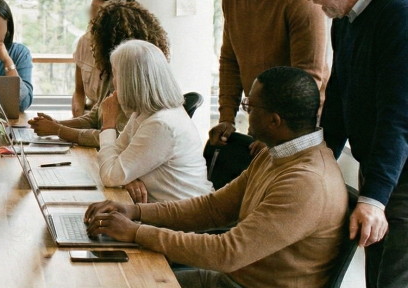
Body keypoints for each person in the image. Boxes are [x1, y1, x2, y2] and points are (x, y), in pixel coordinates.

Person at [85, 67, 347, 288]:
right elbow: (211, 208)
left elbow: (227, 253)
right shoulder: (275, 153)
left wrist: (136, 232)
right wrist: (135, 212)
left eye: (250, 106)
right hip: (231, 280)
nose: (245, 113)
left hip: (239, 281)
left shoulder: (307, 183)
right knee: (117, 279)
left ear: (274, 121)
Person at [296, 0, 408, 288]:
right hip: (379, 166)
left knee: (392, 279)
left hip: (402, 174)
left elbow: (399, 117)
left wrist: (375, 198)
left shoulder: (400, 15)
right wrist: (314, 155)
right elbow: (339, 99)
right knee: (376, 277)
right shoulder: (345, 18)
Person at [208, 0, 327, 148]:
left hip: (296, 131)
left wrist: (281, 137)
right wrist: (226, 118)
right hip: (263, 123)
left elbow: (308, 77)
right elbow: (230, 59)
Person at [30, 0, 170, 148]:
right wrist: (56, 124)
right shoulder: (110, 72)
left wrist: (59, 130)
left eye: (95, 39)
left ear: (109, 42)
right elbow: (96, 117)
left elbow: (116, 138)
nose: (92, 45)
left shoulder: (135, 84)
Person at [97, 40, 212, 203]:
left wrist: (108, 123)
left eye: (115, 74)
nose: (113, 82)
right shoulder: (144, 112)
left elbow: (109, 175)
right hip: (163, 209)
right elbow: (115, 158)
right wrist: (127, 178)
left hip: (183, 216)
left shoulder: (161, 124)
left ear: (130, 81)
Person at [71, 0, 135, 117]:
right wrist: (77, 117)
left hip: (115, 118)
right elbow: (79, 91)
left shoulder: (127, 51)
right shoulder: (84, 42)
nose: (92, 19)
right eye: (92, 11)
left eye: (99, 13)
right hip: (92, 116)